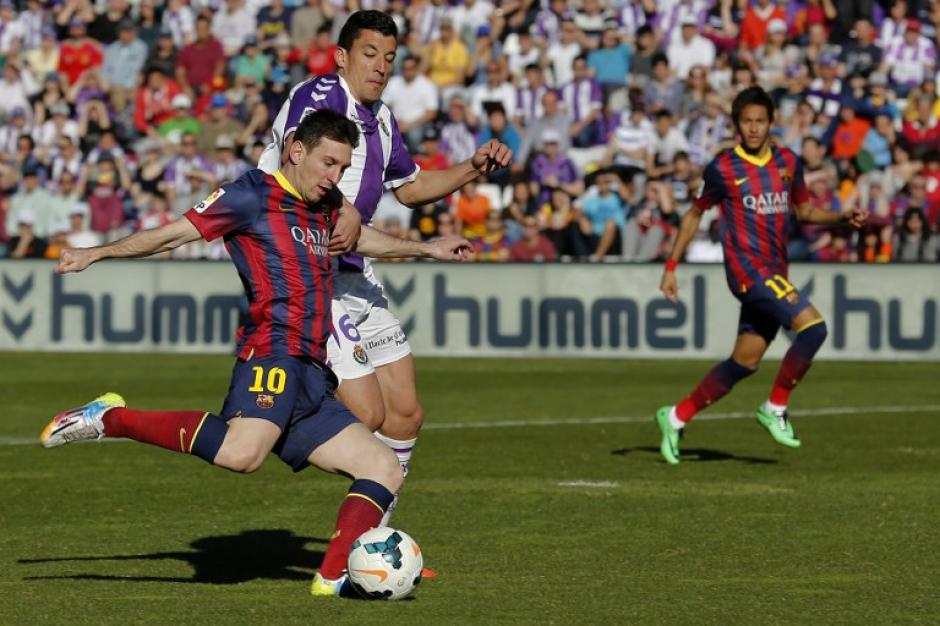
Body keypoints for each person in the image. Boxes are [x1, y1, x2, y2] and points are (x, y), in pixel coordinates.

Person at [39, 109, 472, 597]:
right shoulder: (250, 194)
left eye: (342, 167)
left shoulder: (324, 203)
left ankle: (331, 581)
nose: (334, 177)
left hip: (314, 369)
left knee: (383, 467)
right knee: (243, 455)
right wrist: (96, 253)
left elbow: (358, 239)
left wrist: (427, 248)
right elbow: (172, 233)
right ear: (296, 150)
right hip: (272, 354)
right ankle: (110, 418)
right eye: (328, 163)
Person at [258, 10, 511, 538]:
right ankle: (265, 431)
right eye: (370, 54)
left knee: (405, 414)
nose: (381, 66)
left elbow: (411, 188)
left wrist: (472, 168)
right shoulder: (316, 99)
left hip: (355, 269)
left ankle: (374, 539)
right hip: (309, 272)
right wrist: (341, 207)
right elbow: (289, 168)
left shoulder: (383, 119)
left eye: (390, 58)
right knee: (366, 415)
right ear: (343, 56)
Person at [654, 86, 867, 465]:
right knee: (814, 329)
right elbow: (693, 214)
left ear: (771, 123)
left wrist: (840, 218)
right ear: (737, 125)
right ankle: (775, 407)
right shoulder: (722, 168)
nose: (753, 129)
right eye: (746, 122)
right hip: (747, 272)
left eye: (760, 121)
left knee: (744, 363)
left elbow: (805, 212)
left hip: (774, 270)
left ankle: (675, 416)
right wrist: (671, 267)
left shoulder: (788, 161)